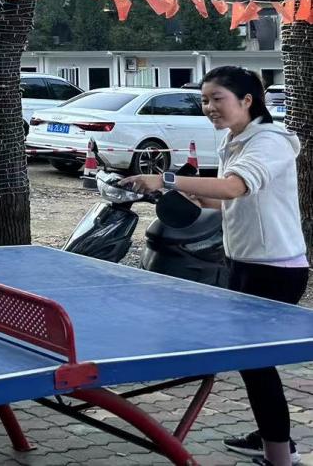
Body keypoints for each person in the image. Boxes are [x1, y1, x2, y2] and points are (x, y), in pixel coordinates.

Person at [123, 66, 306, 466]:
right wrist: (191, 198)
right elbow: (229, 200)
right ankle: (272, 437)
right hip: (244, 262)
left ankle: (280, 454)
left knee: (255, 363)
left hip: (276, 270)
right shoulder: (234, 141)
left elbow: (235, 187)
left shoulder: (270, 141)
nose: (209, 107)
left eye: (217, 99)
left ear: (247, 100)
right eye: (205, 100)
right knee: (253, 362)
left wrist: (167, 180)